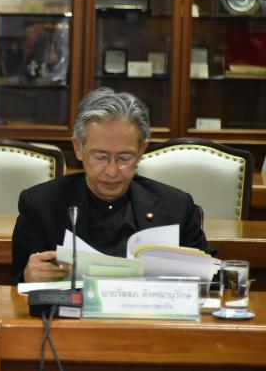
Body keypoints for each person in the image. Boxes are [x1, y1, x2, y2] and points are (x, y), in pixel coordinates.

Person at [12, 87, 212, 284]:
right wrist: (29, 276)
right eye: (100, 157)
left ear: (141, 151)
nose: (112, 171)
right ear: (78, 148)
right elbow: (17, 282)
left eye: (124, 157)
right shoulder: (40, 204)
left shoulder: (176, 206)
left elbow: (212, 277)